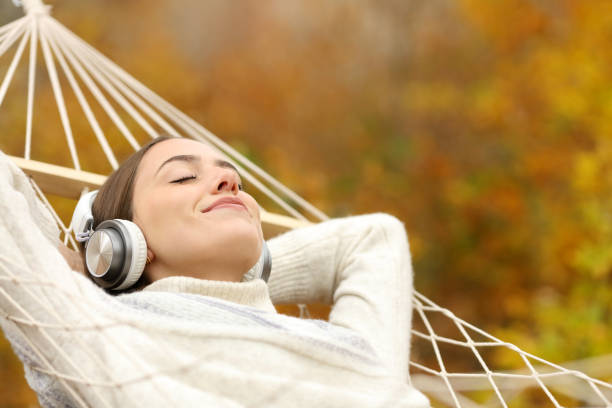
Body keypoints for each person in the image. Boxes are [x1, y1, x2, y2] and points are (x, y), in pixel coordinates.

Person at [0, 136, 430, 407]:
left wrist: (243, 278)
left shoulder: (354, 346)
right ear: (123, 240)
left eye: (236, 182)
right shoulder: (102, 334)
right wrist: (84, 275)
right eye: (184, 177)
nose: (228, 183)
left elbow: (375, 237)